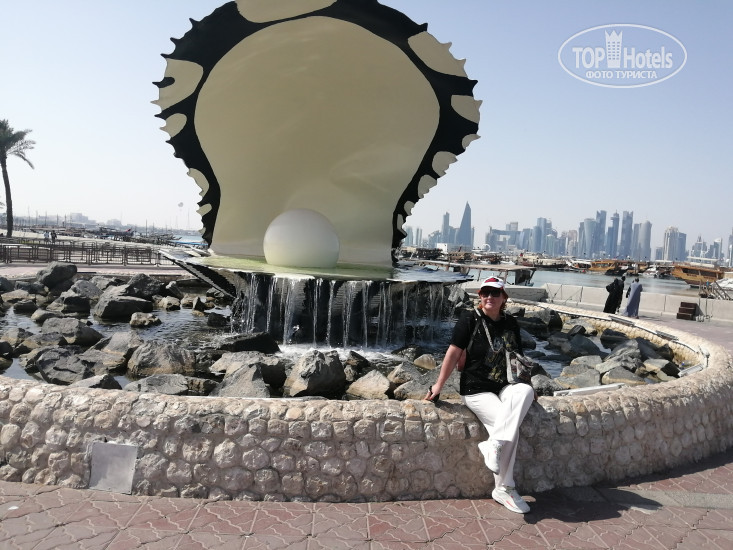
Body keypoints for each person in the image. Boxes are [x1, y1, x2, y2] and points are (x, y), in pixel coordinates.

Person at [425, 277, 535, 514]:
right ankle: (505, 488)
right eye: (485, 293)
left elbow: (518, 357)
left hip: (505, 385)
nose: (489, 297)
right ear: (480, 296)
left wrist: (530, 385)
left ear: (504, 297)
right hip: (476, 388)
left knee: (525, 391)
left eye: (495, 293)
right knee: (509, 429)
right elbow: (453, 352)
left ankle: (493, 446)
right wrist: (438, 385)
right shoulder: (470, 319)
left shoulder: (511, 323)